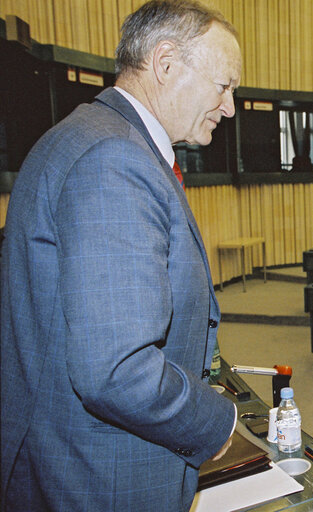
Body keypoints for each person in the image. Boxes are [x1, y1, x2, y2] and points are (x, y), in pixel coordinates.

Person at [0, 1, 242, 510]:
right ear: (166, 61)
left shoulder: (88, 135)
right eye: (224, 86)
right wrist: (218, 422)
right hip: (100, 474)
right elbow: (118, 370)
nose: (230, 107)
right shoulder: (114, 159)